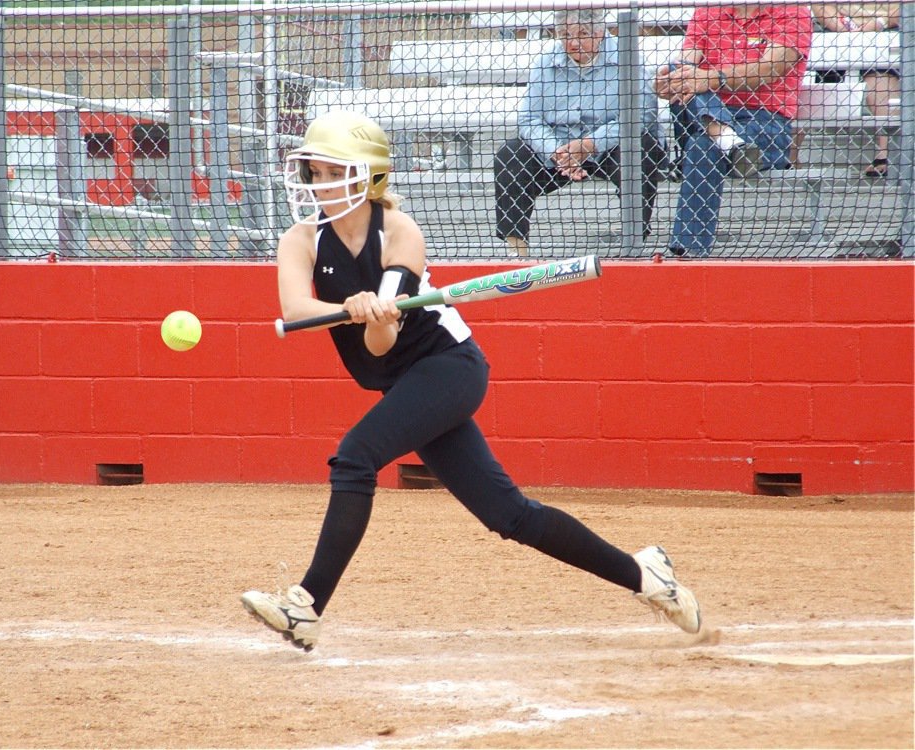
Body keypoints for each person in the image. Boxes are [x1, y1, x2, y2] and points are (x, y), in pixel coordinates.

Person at [239, 110, 702, 652]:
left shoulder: (400, 233)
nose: (319, 185)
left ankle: (307, 607)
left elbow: (380, 346)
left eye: (331, 172)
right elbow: (296, 309)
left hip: (449, 368)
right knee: (509, 515)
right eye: (314, 173)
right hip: (405, 384)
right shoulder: (301, 240)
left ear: (368, 176)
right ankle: (647, 577)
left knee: (355, 455)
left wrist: (380, 314)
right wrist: (351, 306)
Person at [494, 9, 667, 258]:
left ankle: (634, 243)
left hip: (611, 146)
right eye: (565, 35)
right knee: (510, 155)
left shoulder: (627, 57)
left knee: (642, 148)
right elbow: (529, 120)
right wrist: (556, 150)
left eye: (582, 34)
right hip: (560, 151)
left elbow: (642, 117)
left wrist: (589, 144)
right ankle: (516, 252)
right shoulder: (545, 63)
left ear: (600, 32)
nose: (573, 43)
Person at [654, 4, 813, 258]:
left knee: (702, 145)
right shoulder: (708, 10)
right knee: (678, 72)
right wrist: (667, 82)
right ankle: (725, 136)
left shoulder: (792, 10)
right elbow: (686, 64)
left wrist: (708, 79)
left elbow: (769, 69)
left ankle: (688, 254)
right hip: (702, 114)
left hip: (764, 121)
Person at [811, 3, 901, 178]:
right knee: (801, 76)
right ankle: (789, 160)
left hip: (888, 28)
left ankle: (888, 153)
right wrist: (841, 26)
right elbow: (819, 5)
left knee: (879, 76)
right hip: (838, 31)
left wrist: (878, 23)